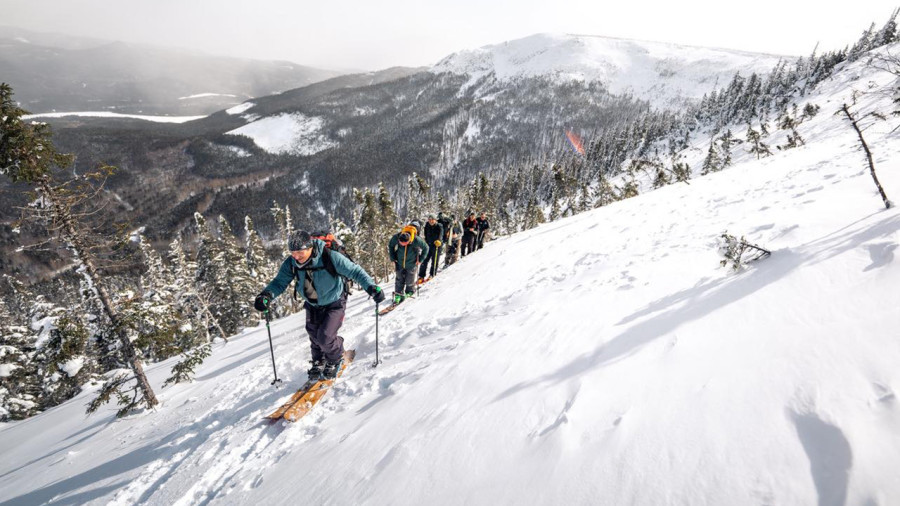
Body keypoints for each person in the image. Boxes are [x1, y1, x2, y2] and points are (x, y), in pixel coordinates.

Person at [254, 230, 385, 380]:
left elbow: (355, 271)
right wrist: (266, 295)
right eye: (293, 253)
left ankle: (336, 358)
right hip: (312, 303)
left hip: (334, 301)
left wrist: (372, 287)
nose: (296, 256)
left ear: (310, 248)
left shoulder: (329, 256)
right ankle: (319, 360)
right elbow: (279, 282)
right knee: (314, 334)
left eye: (300, 253)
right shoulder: (291, 263)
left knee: (325, 337)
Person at [388, 224, 429, 304]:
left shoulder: (416, 240)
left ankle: (409, 291)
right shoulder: (397, 237)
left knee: (410, 279)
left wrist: (420, 259)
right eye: (401, 243)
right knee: (399, 279)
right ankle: (398, 294)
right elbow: (391, 245)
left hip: (412, 263)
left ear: (409, 240)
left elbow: (426, 248)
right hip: (399, 262)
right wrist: (392, 258)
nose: (402, 244)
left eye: (405, 243)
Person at [418, 214, 444, 281]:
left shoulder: (439, 226)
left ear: (435, 220)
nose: (431, 221)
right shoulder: (427, 225)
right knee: (424, 260)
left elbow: (441, 234)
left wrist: (439, 240)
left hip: (437, 245)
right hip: (428, 245)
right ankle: (421, 276)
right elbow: (425, 234)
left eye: (432, 220)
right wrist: (426, 241)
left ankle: (432, 274)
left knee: (434, 260)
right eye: (429, 220)